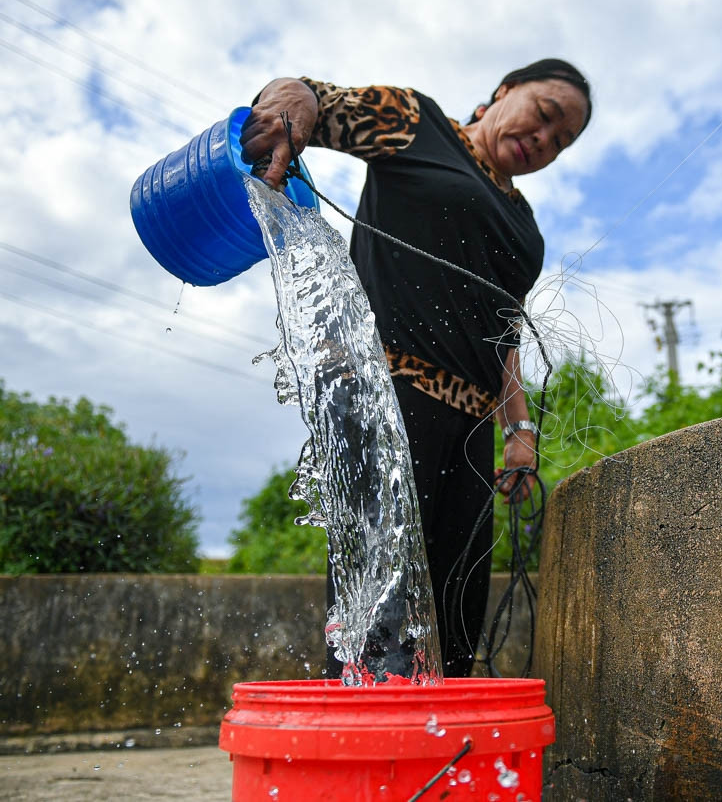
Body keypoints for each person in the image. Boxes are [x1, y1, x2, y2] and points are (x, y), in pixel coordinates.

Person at [240, 59, 592, 678]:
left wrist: (519, 434)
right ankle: (366, 755)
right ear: (503, 91)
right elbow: (319, 101)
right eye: (544, 115)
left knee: (459, 616)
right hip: (386, 399)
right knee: (383, 610)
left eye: (560, 141)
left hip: (472, 430)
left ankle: (439, 759)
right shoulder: (418, 123)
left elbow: (504, 334)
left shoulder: (526, 228)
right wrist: (288, 100)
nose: (544, 140)